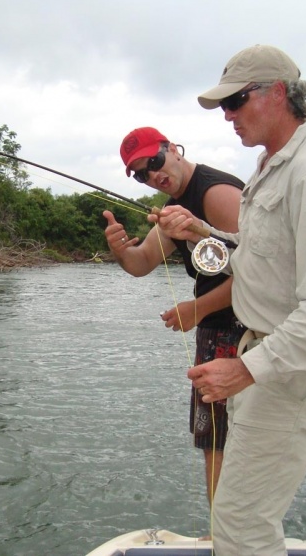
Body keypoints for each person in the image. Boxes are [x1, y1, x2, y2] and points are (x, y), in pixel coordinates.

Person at [154, 45, 306, 555]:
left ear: (277, 93)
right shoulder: (272, 167)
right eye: (222, 106)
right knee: (236, 514)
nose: (227, 115)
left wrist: (247, 371)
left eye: (236, 101)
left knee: (241, 522)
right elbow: (260, 257)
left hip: (295, 367)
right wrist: (199, 229)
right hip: (270, 358)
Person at [103, 126, 246, 510]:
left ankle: (235, 535)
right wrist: (120, 249)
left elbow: (266, 275)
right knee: (213, 440)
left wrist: (196, 308)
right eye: (140, 173)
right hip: (215, 331)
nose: (153, 175)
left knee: (241, 442)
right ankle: (223, 534)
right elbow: (142, 263)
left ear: (173, 149)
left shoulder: (216, 194)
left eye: (154, 161)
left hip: (249, 332)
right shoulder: (172, 211)